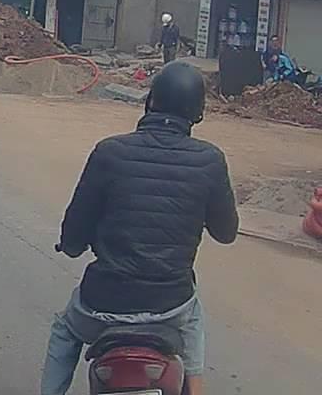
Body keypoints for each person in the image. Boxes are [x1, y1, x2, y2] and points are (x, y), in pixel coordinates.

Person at [39, 62, 239, 395]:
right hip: (171, 306)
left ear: (150, 101)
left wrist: (72, 247)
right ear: (198, 113)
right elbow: (226, 233)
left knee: (64, 331)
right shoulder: (210, 160)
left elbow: (75, 230)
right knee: (193, 319)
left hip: (103, 303)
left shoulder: (109, 152)